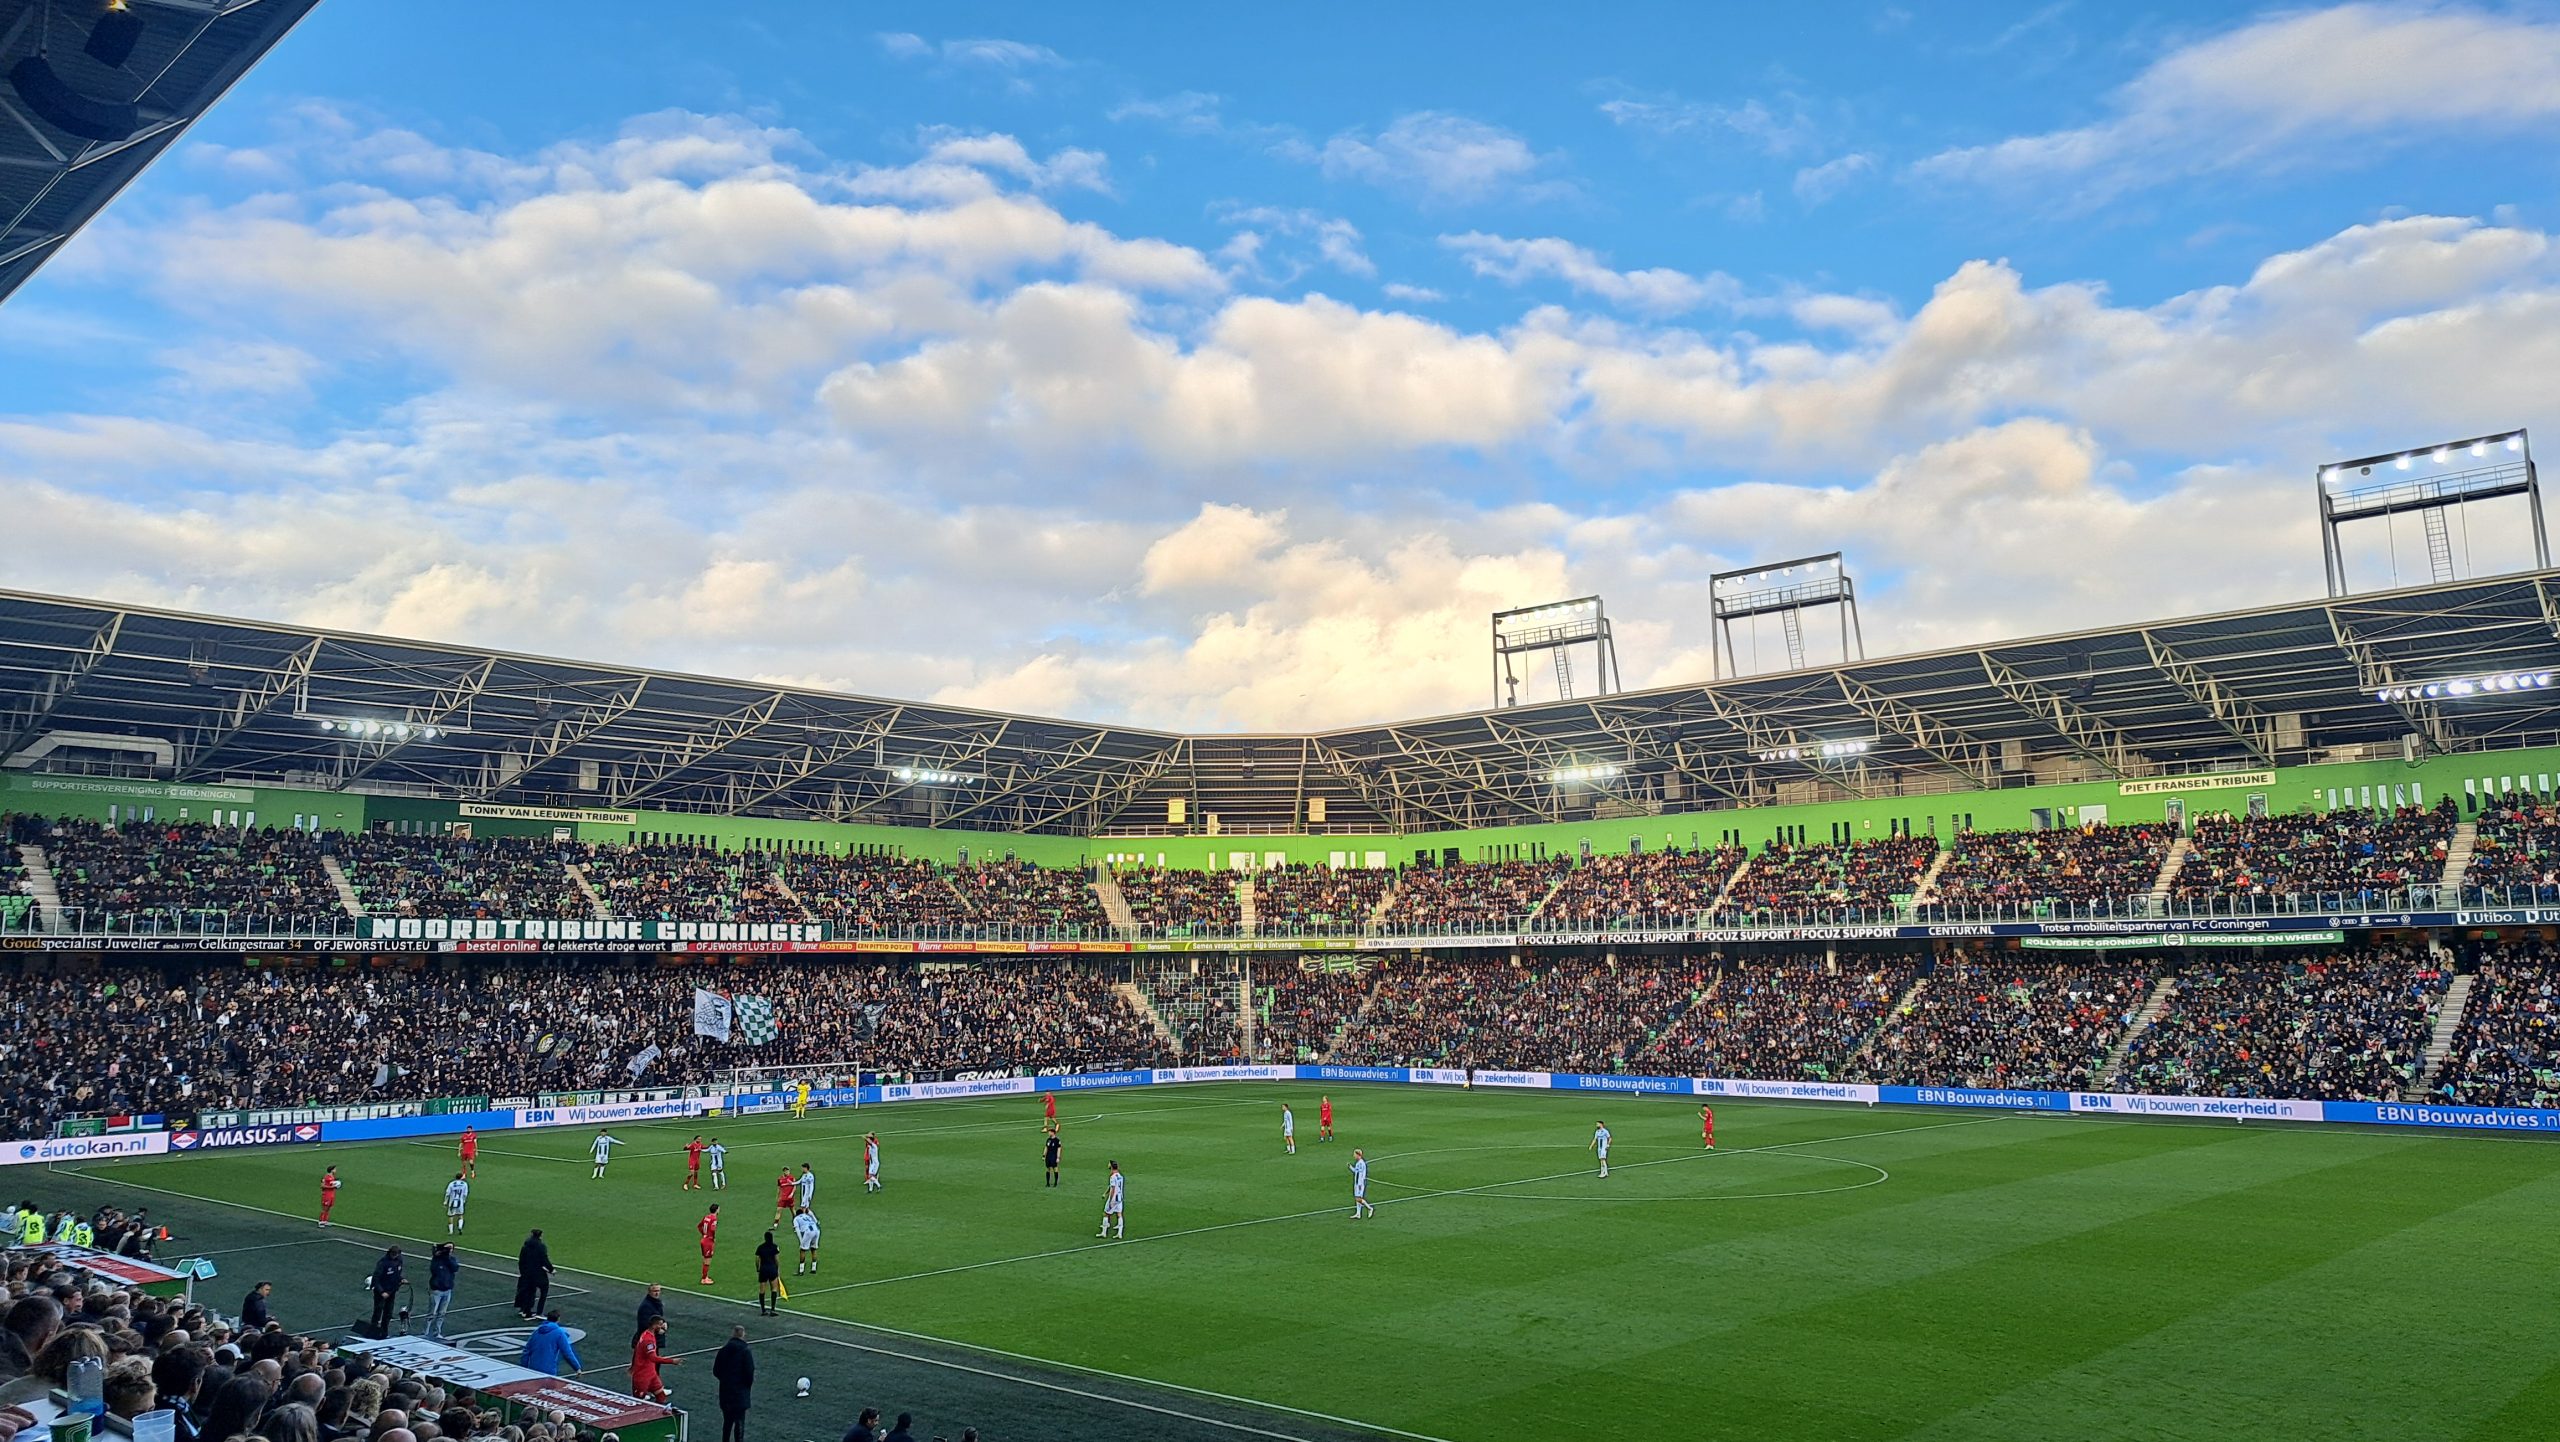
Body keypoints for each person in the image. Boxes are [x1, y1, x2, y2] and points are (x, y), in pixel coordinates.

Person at [712, 1324, 753, 1442]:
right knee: (739, 1421)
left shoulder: (723, 1350)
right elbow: (749, 1372)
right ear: (743, 1335)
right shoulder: (745, 1351)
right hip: (740, 1391)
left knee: (727, 1421)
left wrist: (725, 1380)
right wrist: (746, 1386)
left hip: (726, 1390)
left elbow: (716, 1371)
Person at [630, 1317, 677, 1404]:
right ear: (654, 1325)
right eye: (660, 1325)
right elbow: (653, 1358)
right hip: (642, 1376)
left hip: (651, 1375)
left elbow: (637, 1351)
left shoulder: (647, 1334)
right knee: (638, 1403)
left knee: (661, 1397)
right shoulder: (648, 1340)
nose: (663, 1327)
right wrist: (672, 1361)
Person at [520, 1310, 581, 1376]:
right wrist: (577, 1367)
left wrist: (524, 1368)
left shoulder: (537, 1331)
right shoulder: (559, 1333)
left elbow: (526, 1351)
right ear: (558, 1319)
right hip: (548, 1370)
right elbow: (567, 1352)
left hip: (533, 1369)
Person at [515, 1230, 554, 1318]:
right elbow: (544, 1259)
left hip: (526, 1273)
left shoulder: (525, 1246)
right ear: (540, 1236)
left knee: (527, 1291)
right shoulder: (541, 1246)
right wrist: (551, 1269)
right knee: (543, 1291)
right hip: (538, 1273)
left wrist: (522, 1272)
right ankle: (539, 1312)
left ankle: (524, 1310)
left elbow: (521, 1260)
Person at [366, 1247, 404, 1336]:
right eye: (394, 1254)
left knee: (388, 1313)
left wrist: (401, 1279)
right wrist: (382, 1291)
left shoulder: (399, 1261)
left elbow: (397, 1274)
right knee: (378, 1312)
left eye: (397, 1254)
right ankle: (373, 1331)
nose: (395, 1256)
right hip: (381, 1292)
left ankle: (384, 1332)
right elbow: (376, 1278)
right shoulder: (383, 1263)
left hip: (391, 1291)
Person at [425, 1244, 458, 1342]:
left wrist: (447, 1257)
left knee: (442, 1313)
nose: (450, 1250)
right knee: (432, 1313)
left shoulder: (451, 1259)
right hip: (437, 1290)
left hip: (447, 1290)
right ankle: (425, 1333)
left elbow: (455, 1268)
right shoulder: (437, 1259)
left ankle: (437, 1332)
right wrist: (438, 1255)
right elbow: (434, 1270)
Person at [753, 1233, 781, 1316]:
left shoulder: (761, 1247)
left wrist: (758, 1268)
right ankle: (773, 1309)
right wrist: (777, 1269)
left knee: (762, 1290)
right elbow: (776, 1259)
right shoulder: (774, 1247)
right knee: (774, 1288)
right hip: (772, 1268)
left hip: (763, 1269)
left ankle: (763, 1310)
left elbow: (757, 1259)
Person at [1097, 1160, 1124, 1239]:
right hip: (1120, 1198)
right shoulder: (1120, 1175)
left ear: (1111, 1166)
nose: (1108, 1165)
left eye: (1109, 1164)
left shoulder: (1112, 1177)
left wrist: (1110, 1201)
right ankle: (1119, 1233)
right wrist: (1105, 1193)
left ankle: (1104, 1233)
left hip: (1114, 1198)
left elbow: (1113, 1188)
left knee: (1106, 1214)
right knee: (1119, 1214)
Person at [791, 1207, 820, 1275]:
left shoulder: (796, 1219)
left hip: (809, 1231)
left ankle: (801, 1271)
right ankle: (814, 1268)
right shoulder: (807, 1216)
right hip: (816, 1231)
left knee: (802, 1250)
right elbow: (815, 1221)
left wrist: (801, 1240)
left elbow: (797, 1230)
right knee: (813, 1249)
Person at [697, 1203, 720, 1286]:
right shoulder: (714, 1219)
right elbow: (713, 1229)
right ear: (717, 1210)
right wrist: (713, 1238)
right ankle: (704, 1279)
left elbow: (699, 1226)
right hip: (708, 1241)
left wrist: (704, 1234)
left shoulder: (706, 1217)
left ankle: (705, 1276)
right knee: (707, 1260)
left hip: (703, 1239)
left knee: (705, 1259)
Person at [1349, 1148, 1375, 1220]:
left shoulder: (1361, 1163)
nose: (1354, 1156)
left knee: (1358, 1199)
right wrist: (1350, 1167)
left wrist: (1359, 1185)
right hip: (1357, 1183)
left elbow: (1360, 1175)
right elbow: (1356, 1171)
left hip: (1359, 1183)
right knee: (1357, 1198)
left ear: (1358, 1155)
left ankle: (1370, 1208)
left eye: (1354, 1154)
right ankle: (1358, 1213)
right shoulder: (1358, 1163)